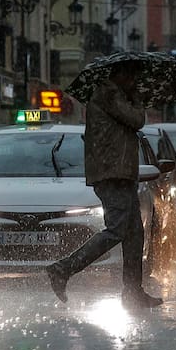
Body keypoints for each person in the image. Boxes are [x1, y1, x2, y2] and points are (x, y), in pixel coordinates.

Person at [45, 60, 163, 308]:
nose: (135, 83)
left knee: (134, 234)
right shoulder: (109, 95)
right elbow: (136, 119)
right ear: (120, 75)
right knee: (117, 229)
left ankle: (133, 293)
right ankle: (63, 269)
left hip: (120, 173)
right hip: (112, 174)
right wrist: (138, 100)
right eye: (133, 78)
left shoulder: (114, 94)